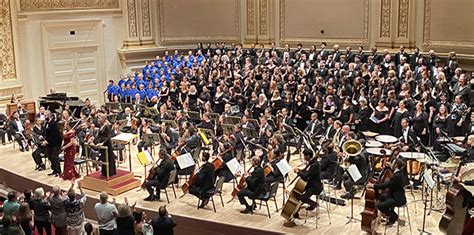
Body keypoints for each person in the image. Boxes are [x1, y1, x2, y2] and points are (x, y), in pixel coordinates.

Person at [367, 159, 407, 225]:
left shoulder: (396, 176)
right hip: (394, 194)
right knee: (381, 197)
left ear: (396, 165)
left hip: (396, 199)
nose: (391, 164)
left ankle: (394, 216)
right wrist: (390, 167)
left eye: (393, 163)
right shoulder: (400, 172)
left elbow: (386, 186)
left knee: (380, 206)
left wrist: (373, 185)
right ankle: (388, 213)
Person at [292, 149, 324, 218]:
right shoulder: (313, 163)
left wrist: (298, 172)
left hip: (315, 187)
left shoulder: (314, 165)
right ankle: (295, 212)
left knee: (302, 198)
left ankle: (314, 204)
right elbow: (308, 172)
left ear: (308, 156)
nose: (303, 157)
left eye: (304, 156)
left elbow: (306, 177)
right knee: (297, 193)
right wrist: (300, 170)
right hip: (311, 184)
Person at [43, 111, 62, 177]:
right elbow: (45, 132)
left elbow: (54, 134)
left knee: (54, 157)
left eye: (46, 115)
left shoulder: (54, 123)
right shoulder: (46, 123)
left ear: (49, 116)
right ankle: (54, 169)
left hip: (55, 143)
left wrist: (47, 140)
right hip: (49, 143)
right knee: (50, 156)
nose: (45, 117)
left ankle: (58, 171)